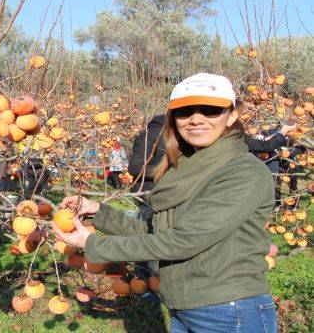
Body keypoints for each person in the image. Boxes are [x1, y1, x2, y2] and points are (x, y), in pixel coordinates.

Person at [53, 73, 277, 333]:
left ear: (232, 115)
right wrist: (99, 213)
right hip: (184, 307)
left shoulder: (241, 172)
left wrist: (92, 244)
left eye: (210, 109)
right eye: (184, 112)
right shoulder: (184, 167)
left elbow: (183, 241)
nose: (195, 119)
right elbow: (159, 234)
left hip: (228, 311)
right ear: (173, 119)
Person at [128, 114, 166, 280]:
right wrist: (164, 170)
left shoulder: (173, 138)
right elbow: (135, 167)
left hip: (167, 194)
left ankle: (156, 277)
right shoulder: (148, 136)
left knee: (161, 235)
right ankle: (148, 278)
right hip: (148, 194)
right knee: (149, 233)